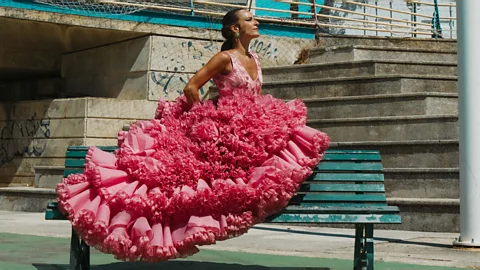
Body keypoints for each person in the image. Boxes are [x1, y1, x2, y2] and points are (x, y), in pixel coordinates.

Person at [56, 8, 330, 262]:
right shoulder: (225, 58)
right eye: (249, 19)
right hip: (223, 126)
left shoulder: (255, 59)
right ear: (235, 29)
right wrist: (203, 117)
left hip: (249, 129)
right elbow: (191, 87)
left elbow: (255, 98)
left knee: (290, 134)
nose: (256, 22)